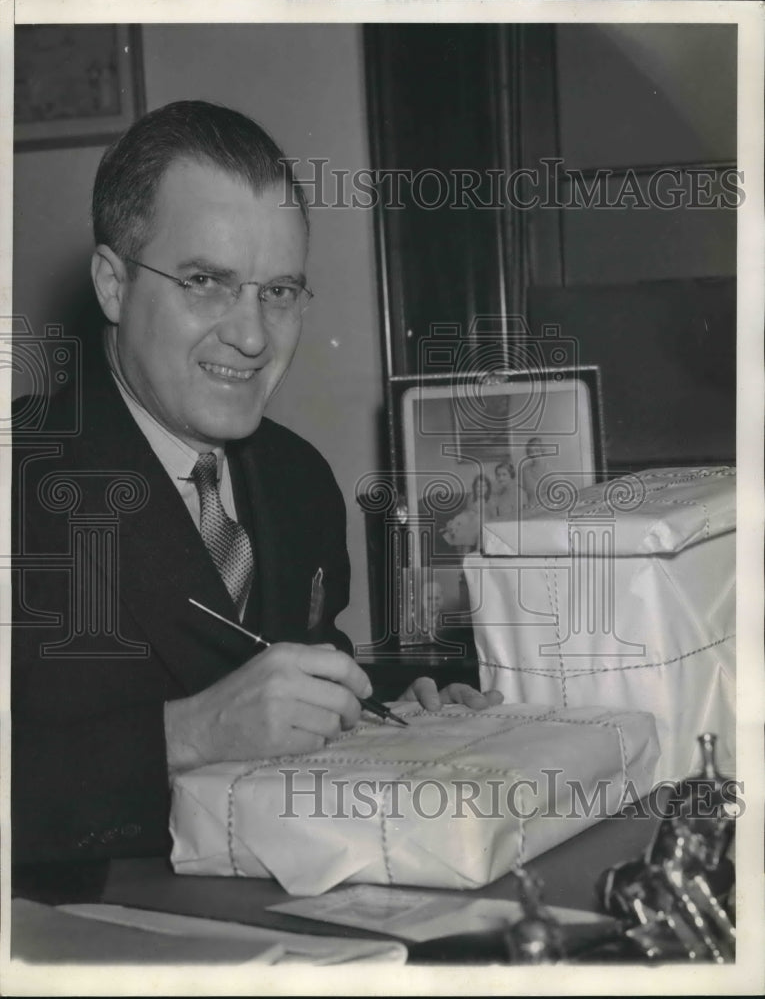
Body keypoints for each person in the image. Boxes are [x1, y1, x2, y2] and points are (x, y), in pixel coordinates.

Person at [11, 101, 502, 897]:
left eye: (278, 292)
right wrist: (185, 735)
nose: (252, 336)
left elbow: (288, 670)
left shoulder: (298, 477)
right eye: (206, 282)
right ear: (112, 283)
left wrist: (384, 705)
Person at [520, 436, 553, 508]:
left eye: (537, 450)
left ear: (542, 451)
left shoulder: (550, 470)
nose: (534, 454)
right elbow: (525, 493)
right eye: (531, 452)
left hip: (547, 507)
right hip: (531, 507)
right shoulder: (525, 471)